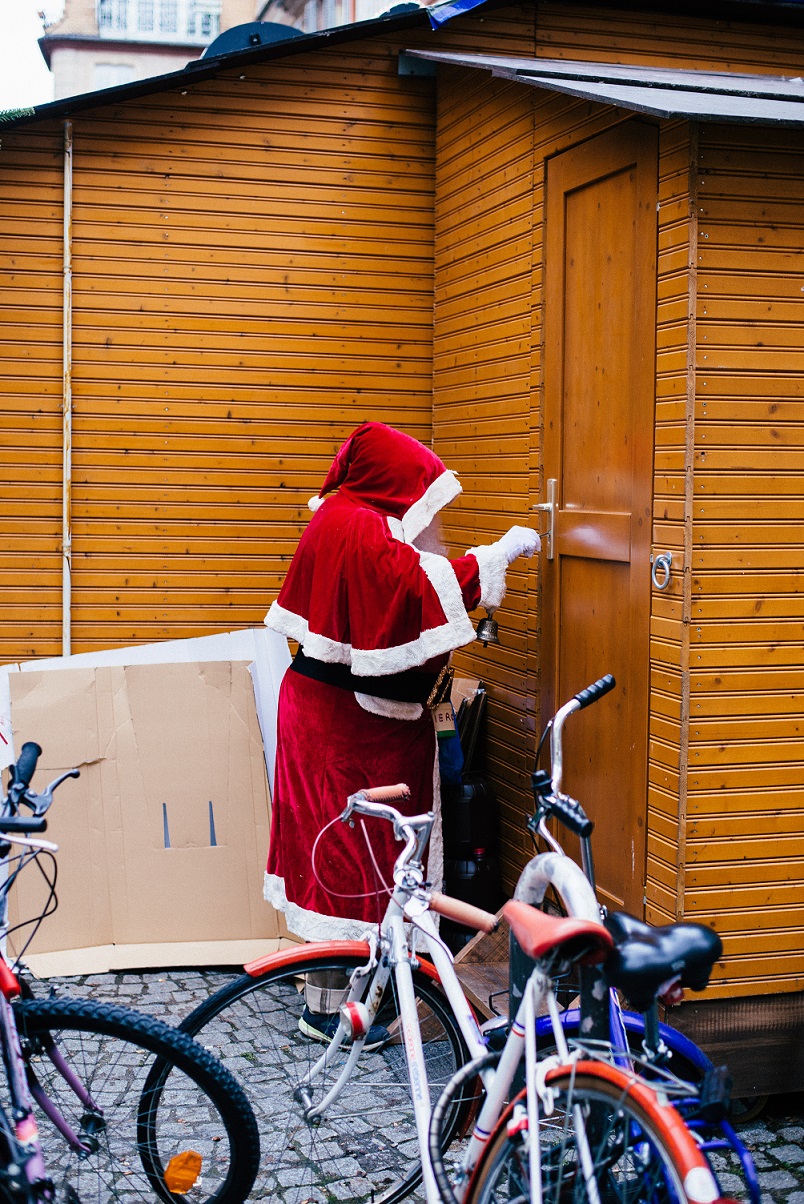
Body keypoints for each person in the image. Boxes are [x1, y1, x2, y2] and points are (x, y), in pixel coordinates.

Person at [263, 421, 539, 1042]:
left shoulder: (342, 515)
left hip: (326, 713)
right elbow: (411, 585)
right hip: (349, 728)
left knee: (339, 845)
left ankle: (335, 993)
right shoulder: (361, 528)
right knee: (361, 850)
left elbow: (409, 578)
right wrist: (491, 559)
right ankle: (341, 1005)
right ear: (397, 485)